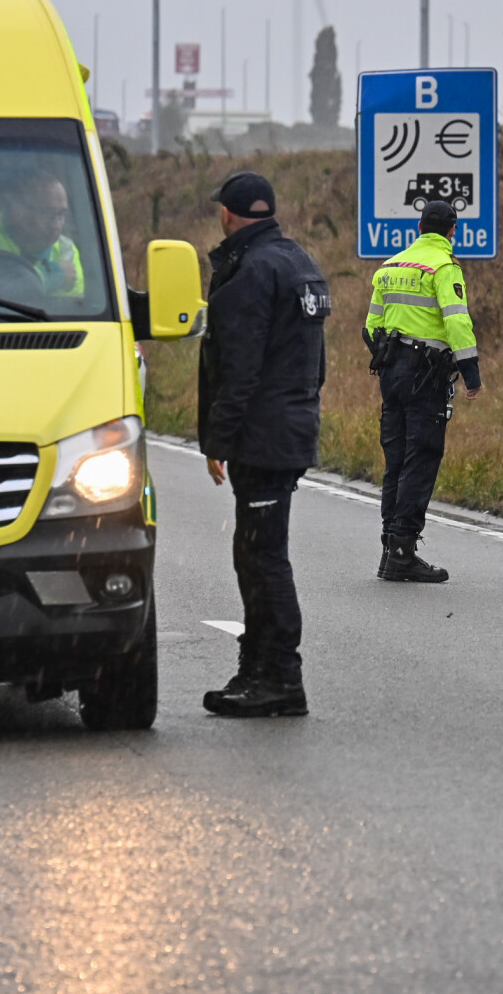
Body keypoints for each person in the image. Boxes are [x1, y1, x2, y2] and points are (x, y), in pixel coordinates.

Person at [196, 171, 330, 718]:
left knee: (262, 558)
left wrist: (217, 441)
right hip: (291, 424)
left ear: (227, 215)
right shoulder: (298, 261)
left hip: (262, 434)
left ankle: (279, 678)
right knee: (255, 552)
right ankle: (257, 668)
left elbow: (239, 368)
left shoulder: (250, 271)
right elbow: (314, 362)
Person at [364, 203, 482, 583]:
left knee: (395, 458)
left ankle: (389, 548)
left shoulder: (390, 266)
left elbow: (370, 327)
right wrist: (471, 372)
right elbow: (457, 320)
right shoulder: (443, 267)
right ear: (452, 231)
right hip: (426, 375)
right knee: (422, 455)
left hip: (392, 372)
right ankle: (402, 550)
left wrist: (391, 360)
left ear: (418, 227)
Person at [0, 166, 84, 298]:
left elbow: (71, 310)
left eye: (61, 214)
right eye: (47, 213)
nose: (56, 225)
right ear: (17, 209)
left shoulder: (66, 248)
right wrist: (46, 277)